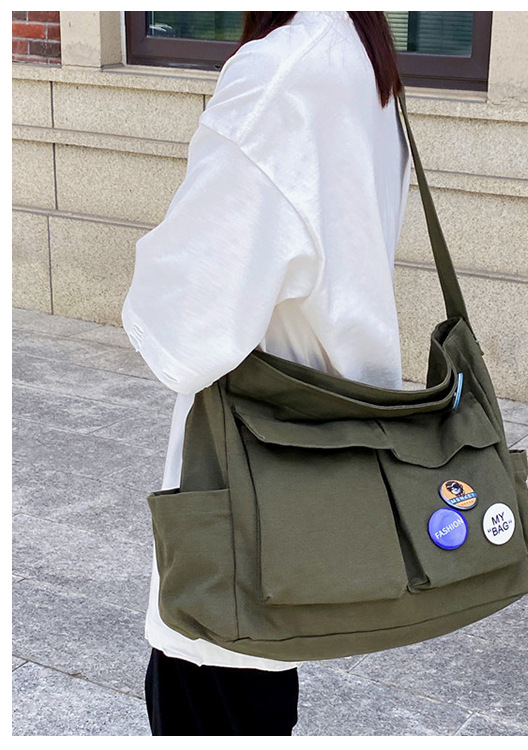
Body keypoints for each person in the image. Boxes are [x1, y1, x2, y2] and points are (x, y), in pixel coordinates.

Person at [121, 11, 411, 736]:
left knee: (212, 680)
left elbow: (183, 331)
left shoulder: (278, 72)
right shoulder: (360, 52)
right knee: (258, 689)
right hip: (311, 456)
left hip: (245, 471)